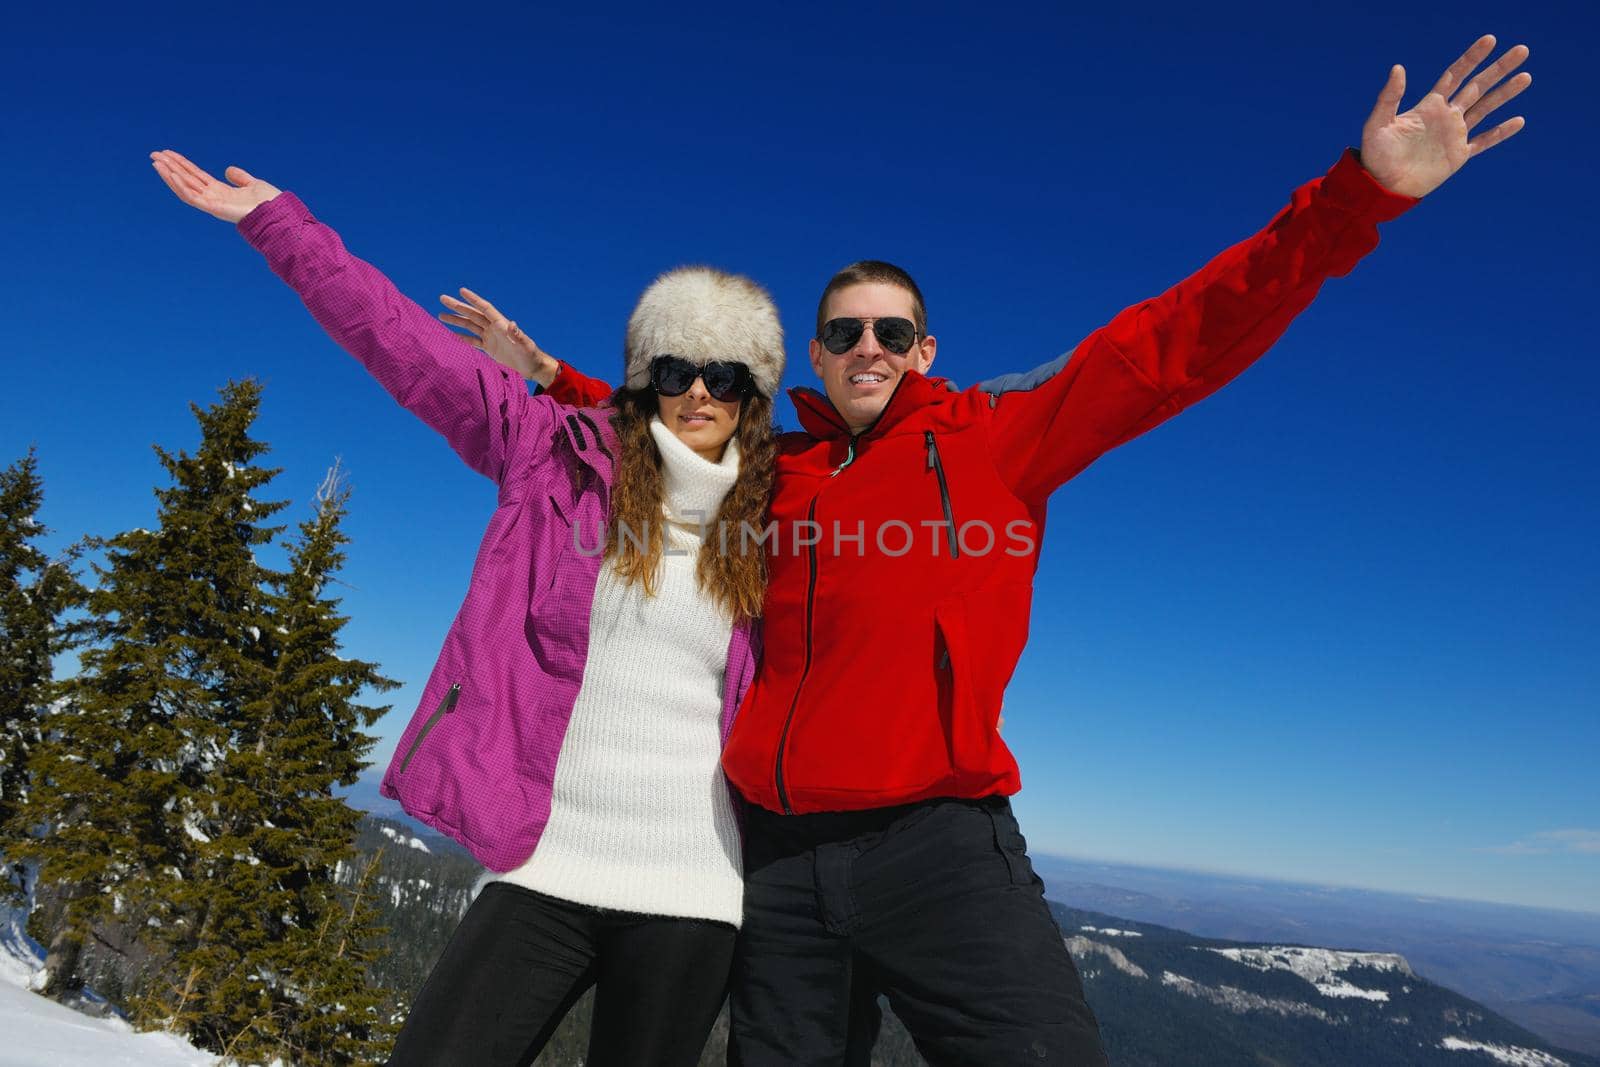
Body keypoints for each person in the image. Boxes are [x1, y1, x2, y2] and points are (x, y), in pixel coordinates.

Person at [463, 35, 1532, 1065]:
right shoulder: (770, 467)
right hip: (778, 861)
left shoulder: (995, 440)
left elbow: (1179, 340)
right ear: (817, 359)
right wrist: (560, 379)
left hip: (940, 846)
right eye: (843, 333)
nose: (866, 348)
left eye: (891, 331)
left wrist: (1358, 196)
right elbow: (674, 428)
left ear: (926, 350)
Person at [151, 149, 787, 1066]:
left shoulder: (782, 520)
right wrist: (278, 223)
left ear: (751, 399)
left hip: (694, 894)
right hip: (545, 860)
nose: (698, 391)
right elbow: (406, 348)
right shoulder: (551, 454)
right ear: (646, 377)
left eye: (724, 377)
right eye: (677, 367)